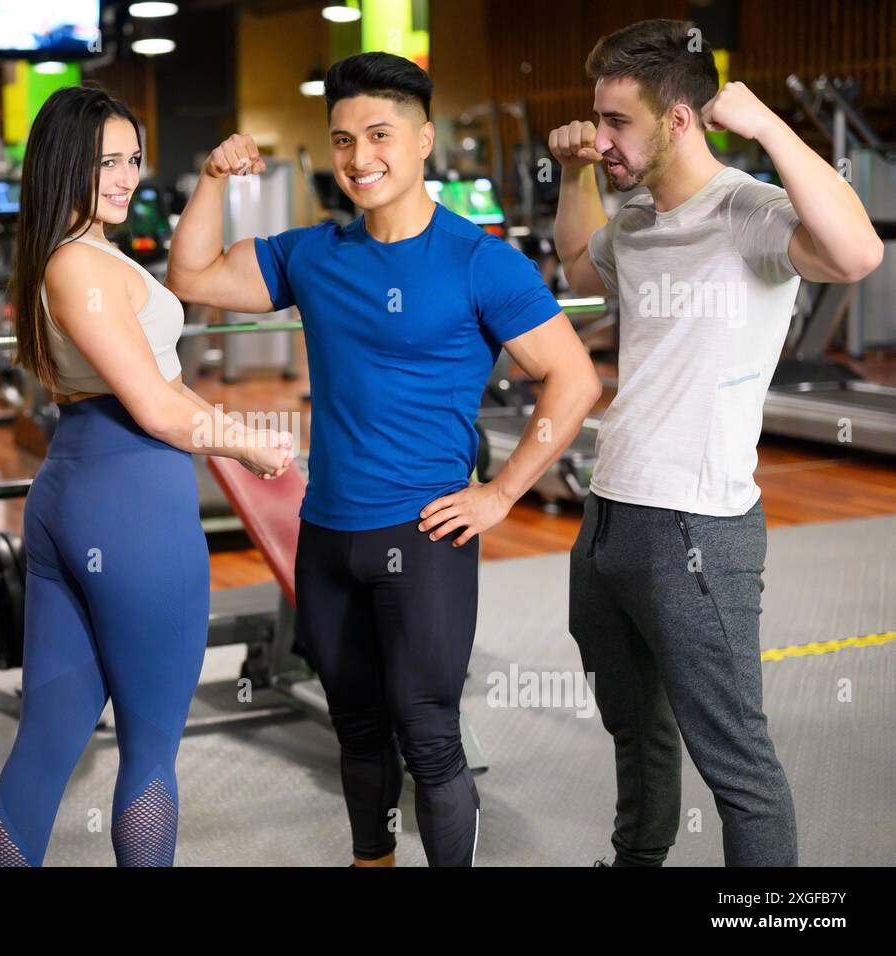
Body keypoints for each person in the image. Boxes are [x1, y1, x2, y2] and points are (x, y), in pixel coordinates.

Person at [167, 52, 602, 866]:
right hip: (326, 535)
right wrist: (215, 179)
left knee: (429, 736)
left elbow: (573, 381)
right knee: (357, 730)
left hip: (427, 537)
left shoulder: (481, 261)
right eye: (341, 141)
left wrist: (502, 494)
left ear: (424, 139)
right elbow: (190, 274)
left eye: (378, 135)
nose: (360, 158)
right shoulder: (314, 254)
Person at [550, 18, 884, 866]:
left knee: (738, 765)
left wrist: (771, 126)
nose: (603, 135)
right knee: (636, 731)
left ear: (681, 120)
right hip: (610, 514)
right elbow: (578, 271)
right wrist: (578, 173)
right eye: (599, 118)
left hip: (697, 528)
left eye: (617, 122)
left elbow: (855, 254)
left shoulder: (749, 210)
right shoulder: (635, 217)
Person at [0, 85, 293, 867]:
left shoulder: (79, 255)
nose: (123, 177)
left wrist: (234, 429)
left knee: (48, 743)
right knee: (150, 751)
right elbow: (156, 410)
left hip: (73, 493)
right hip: (132, 509)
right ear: (62, 168)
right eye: (103, 163)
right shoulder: (77, 265)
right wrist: (248, 446)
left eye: (130, 160)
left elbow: (160, 382)